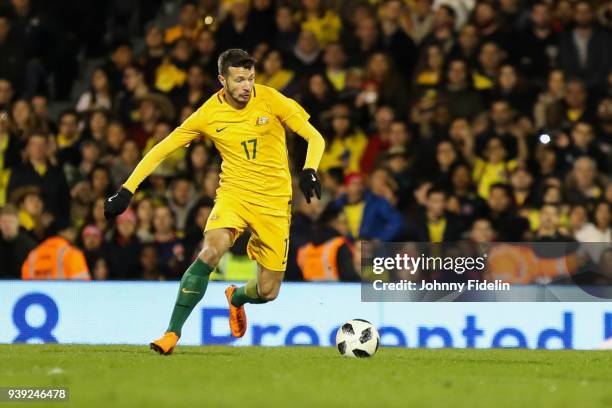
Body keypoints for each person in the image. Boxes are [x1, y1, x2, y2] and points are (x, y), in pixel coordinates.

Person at [103, 49, 325, 355]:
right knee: (210, 251)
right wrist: (127, 189)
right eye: (239, 80)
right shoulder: (208, 114)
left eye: (250, 78)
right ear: (222, 80)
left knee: (268, 291)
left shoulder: (271, 99)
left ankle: (236, 298)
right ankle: (171, 333)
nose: (247, 86)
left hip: (274, 204)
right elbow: (163, 148)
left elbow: (315, 138)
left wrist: (309, 169)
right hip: (234, 196)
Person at [21, 221, 91, 280]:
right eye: (72, 231)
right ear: (62, 232)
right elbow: (82, 287)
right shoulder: (72, 253)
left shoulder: (33, 254)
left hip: (37, 296)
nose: (75, 235)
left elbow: (25, 282)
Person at [0, 204, 36, 279]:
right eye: (4, 221)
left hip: (21, 284)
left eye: (11, 221)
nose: (7, 225)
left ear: (18, 223)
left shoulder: (29, 245)